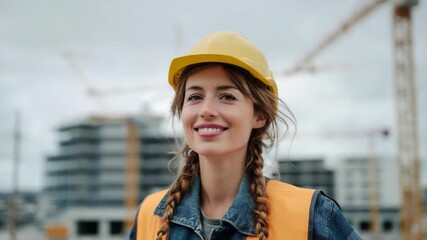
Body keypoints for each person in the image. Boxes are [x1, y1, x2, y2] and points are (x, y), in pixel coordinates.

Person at [129, 32, 362, 240]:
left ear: (259, 115)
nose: (206, 109)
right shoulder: (149, 216)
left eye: (227, 96)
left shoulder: (313, 216)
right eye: (194, 97)